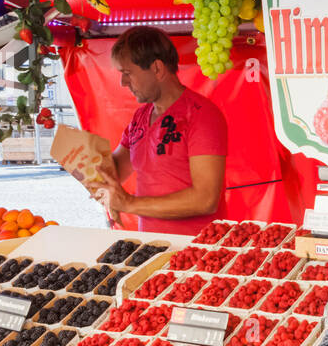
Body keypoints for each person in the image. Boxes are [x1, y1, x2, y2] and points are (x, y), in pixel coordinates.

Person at [92, 26, 227, 236]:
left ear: (157, 68)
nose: (123, 82)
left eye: (128, 73)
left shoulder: (202, 115)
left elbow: (206, 199)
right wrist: (82, 159)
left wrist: (129, 203)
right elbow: (115, 169)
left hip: (197, 251)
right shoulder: (140, 117)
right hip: (153, 246)